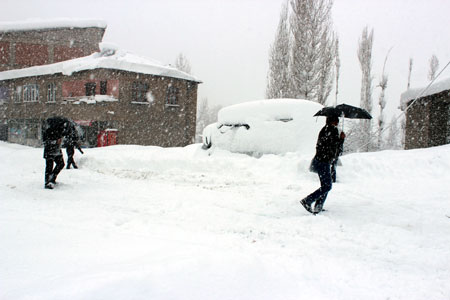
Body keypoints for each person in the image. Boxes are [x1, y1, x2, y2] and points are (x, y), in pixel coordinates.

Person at [301, 115, 345, 214]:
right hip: (323, 161)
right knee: (327, 186)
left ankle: (318, 206)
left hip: (320, 160)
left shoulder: (325, 130)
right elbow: (336, 149)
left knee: (325, 185)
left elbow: (330, 147)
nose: (337, 123)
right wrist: (341, 139)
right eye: (336, 121)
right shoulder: (331, 131)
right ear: (332, 121)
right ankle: (308, 200)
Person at [42, 117, 71, 189]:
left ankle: (52, 178)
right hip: (50, 150)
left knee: (61, 164)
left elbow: (66, 132)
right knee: (49, 166)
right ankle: (48, 182)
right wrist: (55, 142)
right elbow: (45, 141)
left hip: (57, 150)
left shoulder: (59, 130)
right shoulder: (49, 131)